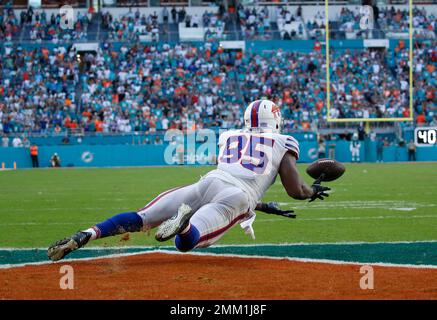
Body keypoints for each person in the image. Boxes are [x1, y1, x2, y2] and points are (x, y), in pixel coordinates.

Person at [47, 100, 330, 262]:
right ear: (276, 120)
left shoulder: (229, 135)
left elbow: (238, 173)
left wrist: (263, 205)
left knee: (143, 216)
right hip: (237, 197)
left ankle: (85, 234)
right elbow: (295, 189)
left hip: (210, 182)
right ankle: (184, 225)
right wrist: (312, 191)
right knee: (186, 242)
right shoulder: (283, 141)